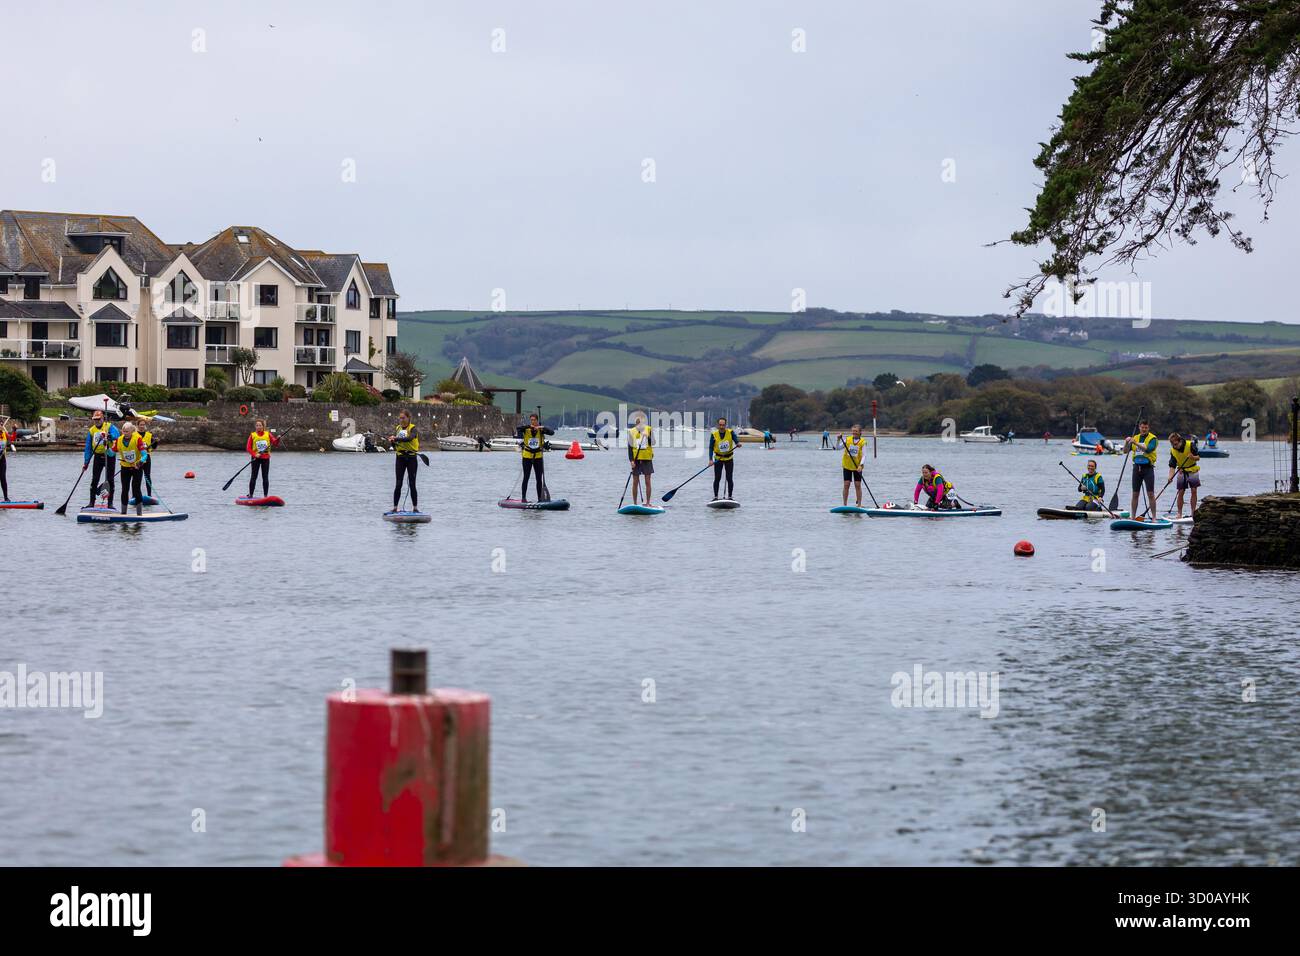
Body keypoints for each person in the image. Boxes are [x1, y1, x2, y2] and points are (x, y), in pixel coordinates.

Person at [1123, 420, 1159, 520]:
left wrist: (1135, 443)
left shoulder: (1153, 438)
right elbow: (1125, 451)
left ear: (1148, 428)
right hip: (1136, 468)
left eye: (1146, 428)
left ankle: (1154, 518)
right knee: (1135, 494)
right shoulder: (1136, 437)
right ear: (1139, 427)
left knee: (1150, 494)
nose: (1144, 429)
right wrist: (1126, 442)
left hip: (1148, 468)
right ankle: (1133, 516)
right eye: (1142, 427)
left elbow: (1148, 449)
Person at [84, 410, 120, 507]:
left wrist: (110, 436)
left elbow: (118, 436)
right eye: (95, 419)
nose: (97, 421)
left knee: (110, 480)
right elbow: (88, 447)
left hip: (109, 456)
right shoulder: (92, 430)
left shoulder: (109, 427)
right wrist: (86, 462)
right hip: (98, 457)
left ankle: (110, 503)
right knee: (95, 479)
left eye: (98, 419)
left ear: (103, 418)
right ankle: (91, 502)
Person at [515, 412, 554, 502]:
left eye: (534, 420)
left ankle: (539, 499)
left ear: (537, 420)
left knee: (538, 479)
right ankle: (523, 498)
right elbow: (518, 429)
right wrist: (529, 426)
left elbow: (552, 432)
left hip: (538, 457)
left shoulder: (541, 430)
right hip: (527, 456)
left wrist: (542, 427)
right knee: (526, 477)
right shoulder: (526, 429)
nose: (533, 422)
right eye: (531, 420)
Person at [387, 410, 420, 511]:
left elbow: (410, 438)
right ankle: (395, 508)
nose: (401, 420)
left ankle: (415, 508)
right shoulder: (398, 428)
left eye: (403, 418)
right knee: (398, 483)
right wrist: (392, 441)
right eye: (400, 418)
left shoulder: (413, 428)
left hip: (411, 458)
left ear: (408, 418)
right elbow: (395, 445)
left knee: (412, 483)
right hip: (400, 458)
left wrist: (396, 439)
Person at [112, 421, 147, 516]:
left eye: (127, 431)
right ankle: (123, 513)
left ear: (132, 431)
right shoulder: (119, 440)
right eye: (123, 431)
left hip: (137, 468)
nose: (125, 433)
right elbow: (111, 453)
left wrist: (140, 462)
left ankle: (139, 514)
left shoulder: (138, 439)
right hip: (125, 468)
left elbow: (145, 455)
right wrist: (106, 444)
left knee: (136, 489)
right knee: (124, 489)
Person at [1167, 431, 1201, 519]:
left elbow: (1198, 457)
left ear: (1180, 441)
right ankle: (1179, 513)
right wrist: (1170, 477)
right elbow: (1172, 466)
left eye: (1176, 444)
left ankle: (1193, 512)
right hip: (1181, 471)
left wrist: (1193, 457)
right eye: (1172, 445)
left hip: (1192, 469)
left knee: (1194, 490)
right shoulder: (1173, 451)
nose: (1175, 446)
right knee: (1181, 492)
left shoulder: (1191, 445)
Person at [246, 419, 281, 498]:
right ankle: (251, 495)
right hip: (255, 458)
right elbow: (248, 448)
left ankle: (265, 496)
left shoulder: (268, 434)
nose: (258, 427)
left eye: (260, 425)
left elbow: (275, 443)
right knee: (253, 476)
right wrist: (255, 454)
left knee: (265, 477)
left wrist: (278, 439)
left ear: (263, 426)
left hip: (265, 458)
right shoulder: (252, 435)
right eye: (257, 425)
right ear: (255, 426)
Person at [628, 412, 654, 504]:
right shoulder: (631, 431)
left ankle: (648, 502)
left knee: (647, 481)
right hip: (636, 459)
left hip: (647, 458)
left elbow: (653, 443)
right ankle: (635, 503)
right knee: (635, 482)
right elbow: (630, 448)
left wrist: (648, 437)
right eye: (638, 424)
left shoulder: (649, 429)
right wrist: (631, 460)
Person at [709, 416, 738, 500]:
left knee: (729, 478)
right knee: (717, 478)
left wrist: (737, 443)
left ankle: (730, 497)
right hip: (718, 459)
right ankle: (715, 497)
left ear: (726, 425)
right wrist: (710, 460)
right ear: (718, 425)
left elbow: (735, 439)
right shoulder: (714, 434)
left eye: (723, 425)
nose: (721, 427)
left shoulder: (730, 432)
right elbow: (711, 448)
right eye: (720, 425)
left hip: (729, 459)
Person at [840, 424, 868, 507]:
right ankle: (844, 505)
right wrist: (839, 440)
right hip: (847, 465)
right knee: (846, 484)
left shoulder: (863, 442)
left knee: (857, 485)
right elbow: (838, 447)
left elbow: (864, 455)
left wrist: (861, 465)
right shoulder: (847, 439)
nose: (854, 433)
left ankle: (859, 504)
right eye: (853, 431)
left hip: (857, 467)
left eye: (856, 431)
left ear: (860, 432)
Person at [138, 418, 160, 498]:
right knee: (138, 477)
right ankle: (136, 495)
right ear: (138, 426)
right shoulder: (134, 435)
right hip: (138, 458)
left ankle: (149, 495)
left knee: (147, 476)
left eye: (143, 425)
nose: (142, 426)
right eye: (141, 425)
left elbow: (154, 447)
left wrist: (156, 442)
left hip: (146, 458)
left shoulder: (149, 435)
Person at [0, 416, 15, 501]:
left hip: (2, 459)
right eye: (0, 424)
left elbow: (12, 438)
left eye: (2, 424)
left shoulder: (4, 433)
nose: (2, 426)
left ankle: (6, 498)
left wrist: (14, 430)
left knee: (3, 478)